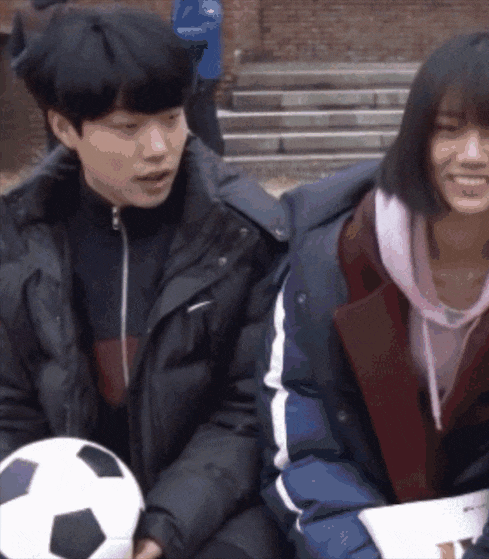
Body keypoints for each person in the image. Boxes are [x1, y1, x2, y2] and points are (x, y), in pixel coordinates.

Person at [257, 31, 489, 559]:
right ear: (416, 137)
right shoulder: (335, 257)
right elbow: (305, 433)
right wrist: (355, 550)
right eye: (449, 130)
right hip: (363, 529)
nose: (472, 156)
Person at [0, 6, 292, 559]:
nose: (158, 148)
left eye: (172, 119)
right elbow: (9, 410)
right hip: (61, 508)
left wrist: (164, 528)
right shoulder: (18, 241)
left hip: (218, 509)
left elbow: (246, 411)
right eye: (128, 129)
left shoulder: (242, 236)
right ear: (64, 128)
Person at [8, 0, 71, 152]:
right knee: (67, 124)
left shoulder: (23, 11)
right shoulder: (66, 10)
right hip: (63, 78)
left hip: (37, 79)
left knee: (51, 123)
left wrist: (22, 69)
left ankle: (53, 156)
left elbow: (15, 50)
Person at [172, 0, 225, 156]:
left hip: (203, 72)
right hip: (194, 71)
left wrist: (171, 37)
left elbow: (208, 26)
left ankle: (213, 159)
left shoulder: (204, 3)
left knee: (203, 119)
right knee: (193, 121)